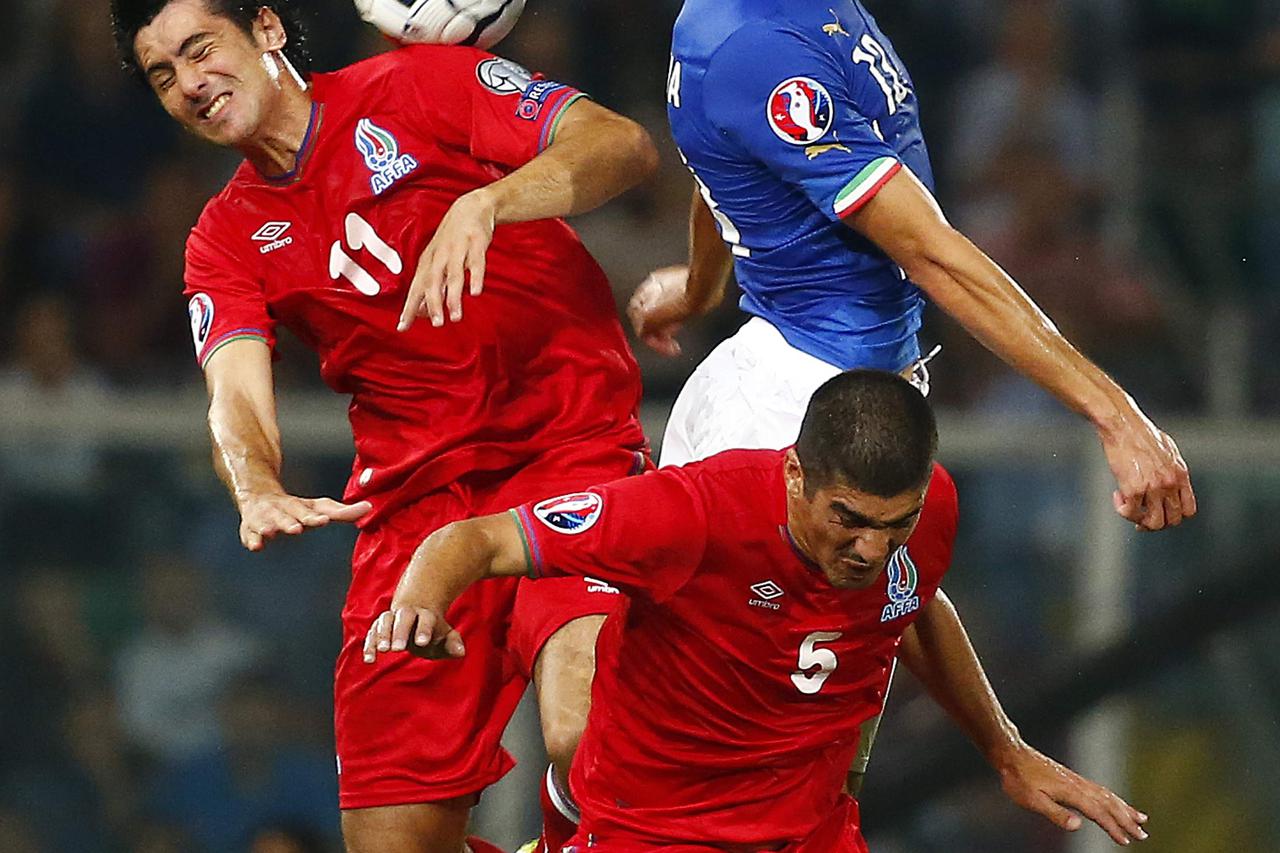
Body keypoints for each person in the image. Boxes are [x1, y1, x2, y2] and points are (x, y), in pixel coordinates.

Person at [110, 1, 659, 851]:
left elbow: (621, 145)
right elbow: (237, 400)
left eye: (198, 49)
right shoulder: (223, 236)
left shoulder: (419, 82)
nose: (190, 84)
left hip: (569, 452)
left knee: (579, 729)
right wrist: (253, 486)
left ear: (264, 29)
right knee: (393, 842)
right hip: (413, 510)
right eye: (163, 75)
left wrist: (489, 205)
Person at [629, 0, 1196, 796]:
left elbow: (725, 160)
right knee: (744, 766)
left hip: (828, 377)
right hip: (789, 414)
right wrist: (1115, 412)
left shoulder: (785, 19)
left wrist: (698, 286)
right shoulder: (757, 52)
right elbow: (932, 254)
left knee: (809, 760)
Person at [365, 370, 1150, 851]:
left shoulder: (932, 509)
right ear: (796, 474)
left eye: (894, 523)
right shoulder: (692, 512)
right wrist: (417, 606)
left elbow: (914, 605)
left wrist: (1007, 749)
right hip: (657, 833)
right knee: (570, 732)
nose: (872, 549)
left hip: (810, 834)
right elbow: (476, 540)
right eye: (849, 518)